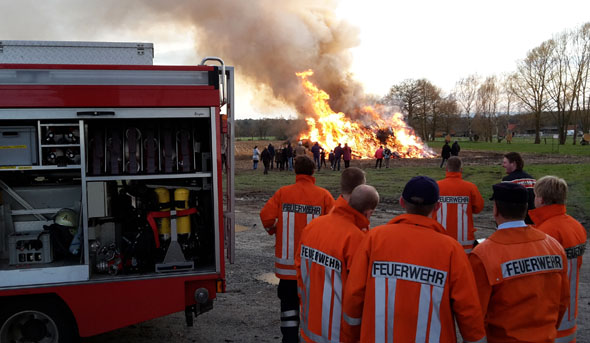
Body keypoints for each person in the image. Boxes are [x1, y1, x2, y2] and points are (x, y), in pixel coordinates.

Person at [342, 176, 486, 342]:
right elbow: (468, 309)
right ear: (437, 206)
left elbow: (354, 294)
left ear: (402, 202)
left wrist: (351, 336)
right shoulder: (451, 249)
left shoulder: (375, 238)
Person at [469, 183, 570, 342]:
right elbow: (563, 301)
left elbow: (474, 314)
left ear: (495, 210)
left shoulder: (483, 254)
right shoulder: (554, 246)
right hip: (546, 337)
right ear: (526, 209)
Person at [260, 155, 336, 343]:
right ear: (313, 171)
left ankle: (290, 338)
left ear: (295, 170)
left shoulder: (283, 193)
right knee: (312, 305)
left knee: (288, 304)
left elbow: (266, 217)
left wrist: (275, 230)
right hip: (313, 267)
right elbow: (335, 224)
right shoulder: (324, 195)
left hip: (287, 270)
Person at [296, 184, 379, 343]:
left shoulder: (313, 226)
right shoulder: (357, 240)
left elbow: (299, 267)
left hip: (309, 327)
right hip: (337, 334)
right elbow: (357, 294)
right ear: (369, 212)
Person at [529, 176, 587, 343]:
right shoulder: (576, 226)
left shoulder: (545, 232)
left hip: (550, 314)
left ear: (541, 199)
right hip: (570, 312)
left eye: (535, 195)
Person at [433, 156, 484, 253]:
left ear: (446, 169)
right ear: (461, 170)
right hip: (464, 242)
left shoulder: (436, 186)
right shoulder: (470, 187)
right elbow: (478, 208)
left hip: (440, 238)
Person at [501, 152, 536, 223]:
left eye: (505, 163)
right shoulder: (532, 180)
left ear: (513, 163)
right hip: (533, 220)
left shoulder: (508, 181)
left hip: (515, 220)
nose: (503, 165)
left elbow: (502, 203)